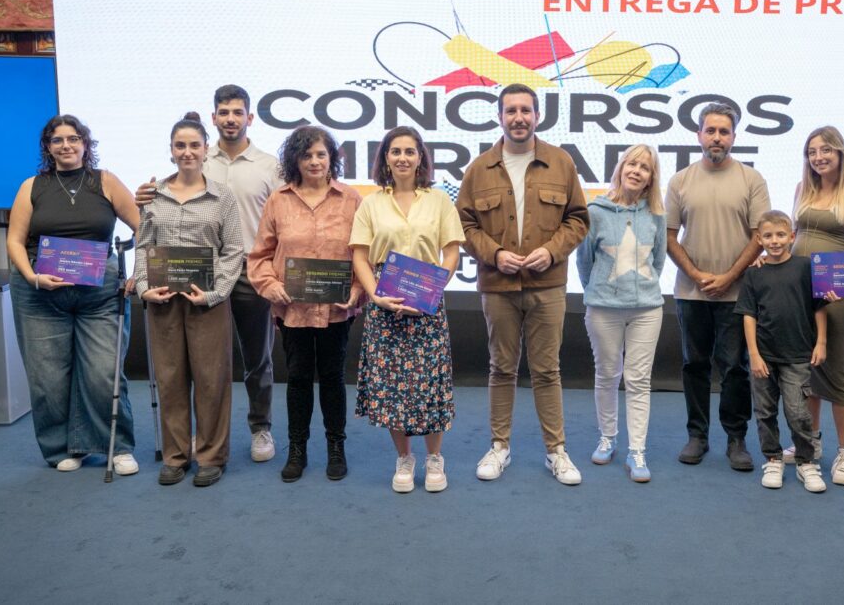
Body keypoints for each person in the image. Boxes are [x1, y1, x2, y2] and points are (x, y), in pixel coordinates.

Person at [137, 85, 282, 463]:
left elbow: (283, 220)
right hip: (197, 275)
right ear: (213, 117)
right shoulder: (198, 157)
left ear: (250, 118)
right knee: (200, 363)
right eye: (224, 112)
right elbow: (165, 206)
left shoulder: (270, 166)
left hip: (251, 270)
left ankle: (260, 427)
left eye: (238, 112)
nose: (231, 119)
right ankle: (199, 435)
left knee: (257, 358)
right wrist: (144, 197)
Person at [457, 83, 590, 486]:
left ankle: (557, 451)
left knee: (548, 370)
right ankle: (499, 447)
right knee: (501, 368)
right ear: (500, 116)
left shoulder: (561, 162)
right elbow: (464, 225)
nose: (519, 118)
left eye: (526, 110)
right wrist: (494, 254)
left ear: (537, 116)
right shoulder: (479, 168)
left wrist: (552, 251)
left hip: (547, 285)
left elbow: (578, 219)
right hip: (498, 286)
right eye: (511, 110)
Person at [7, 114, 141, 474]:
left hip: (99, 294)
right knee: (48, 378)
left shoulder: (106, 181)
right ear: (48, 148)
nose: (65, 145)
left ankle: (116, 446)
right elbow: (14, 241)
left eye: (73, 138)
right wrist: (33, 277)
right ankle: (62, 449)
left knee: (104, 373)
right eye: (57, 140)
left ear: (85, 143)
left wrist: (139, 272)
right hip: (40, 294)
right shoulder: (31, 186)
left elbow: (143, 227)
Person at [350, 126, 464, 493]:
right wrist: (375, 296)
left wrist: (429, 293)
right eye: (395, 151)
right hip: (385, 304)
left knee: (430, 383)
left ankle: (434, 458)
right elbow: (360, 256)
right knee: (392, 387)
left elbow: (451, 252)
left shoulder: (439, 200)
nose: (402, 158)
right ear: (385, 157)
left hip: (428, 304)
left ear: (420, 158)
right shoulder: (371, 204)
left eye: (409, 151)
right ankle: (404, 458)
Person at [134, 113, 244, 487]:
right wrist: (143, 287)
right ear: (171, 150)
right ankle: (176, 456)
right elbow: (143, 245)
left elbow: (233, 250)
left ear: (205, 149)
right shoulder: (153, 195)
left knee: (212, 381)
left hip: (207, 301)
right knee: (170, 379)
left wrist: (215, 293)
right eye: (180, 145)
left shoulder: (222, 197)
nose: (187, 152)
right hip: (163, 300)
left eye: (194, 145)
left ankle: (211, 456)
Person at [248, 126, 362, 483]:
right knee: (297, 378)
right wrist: (270, 285)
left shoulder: (351, 200)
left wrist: (358, 290)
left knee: (332, 377)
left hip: (336, 310)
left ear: (332, 158)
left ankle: (336, 447)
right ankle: (297, 449)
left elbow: (366, 254)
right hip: (293, 309)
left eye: (321, 154)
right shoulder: (278, 200)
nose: (314, 161)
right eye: (306, 155)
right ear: (294, 160)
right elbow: (260, 256)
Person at [665, 101, 771, 471]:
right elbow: (668, 236)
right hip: (691, 292)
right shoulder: (680, 181)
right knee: (694, 365)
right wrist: (696, 275)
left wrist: (728, 277)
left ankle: (736, 439)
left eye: (724, 131)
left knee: (734, 369)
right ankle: (697, 435)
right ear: (699, 135)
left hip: (737, 294)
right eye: (710, 130)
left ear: (734, 137)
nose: (717, 137)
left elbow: (760, 236)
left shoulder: (751, 180)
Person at [781, 126, 844, 486]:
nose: (818, 157)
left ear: (840, 153)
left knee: (838, 372)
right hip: (798, 293)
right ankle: (810, 442)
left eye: (825, 150)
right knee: (805, 373)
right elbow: (792, 239)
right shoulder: (802, 190)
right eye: (812, 152)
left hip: (836, 298)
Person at [576, 144, 666, 483]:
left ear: (651, 178)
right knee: (607, 374)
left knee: (639, 380)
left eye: (645, 167)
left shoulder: (657, 214)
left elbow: (658, 261)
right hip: (603, 309)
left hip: (647, 310)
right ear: (621, 167)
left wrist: (640, 290)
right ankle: (608, 438)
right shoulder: (594, 212)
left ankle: (636, 451)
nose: (636, 171)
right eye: (632, 164)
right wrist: (600, 291)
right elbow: (584, 262)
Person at [735, 210, 828, 492]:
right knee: (764, 411)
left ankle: (805, 462)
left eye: (780, 235)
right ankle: (773, 459)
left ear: (791, 236)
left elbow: (819, 307)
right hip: (764, 356)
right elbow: (749, 315)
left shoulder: (805, 267)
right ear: (759, 239)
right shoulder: (754, 273)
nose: (774, 241)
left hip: (798, 354)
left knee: (798, 412)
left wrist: (821, 342)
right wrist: (753, 354)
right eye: (768, 236)